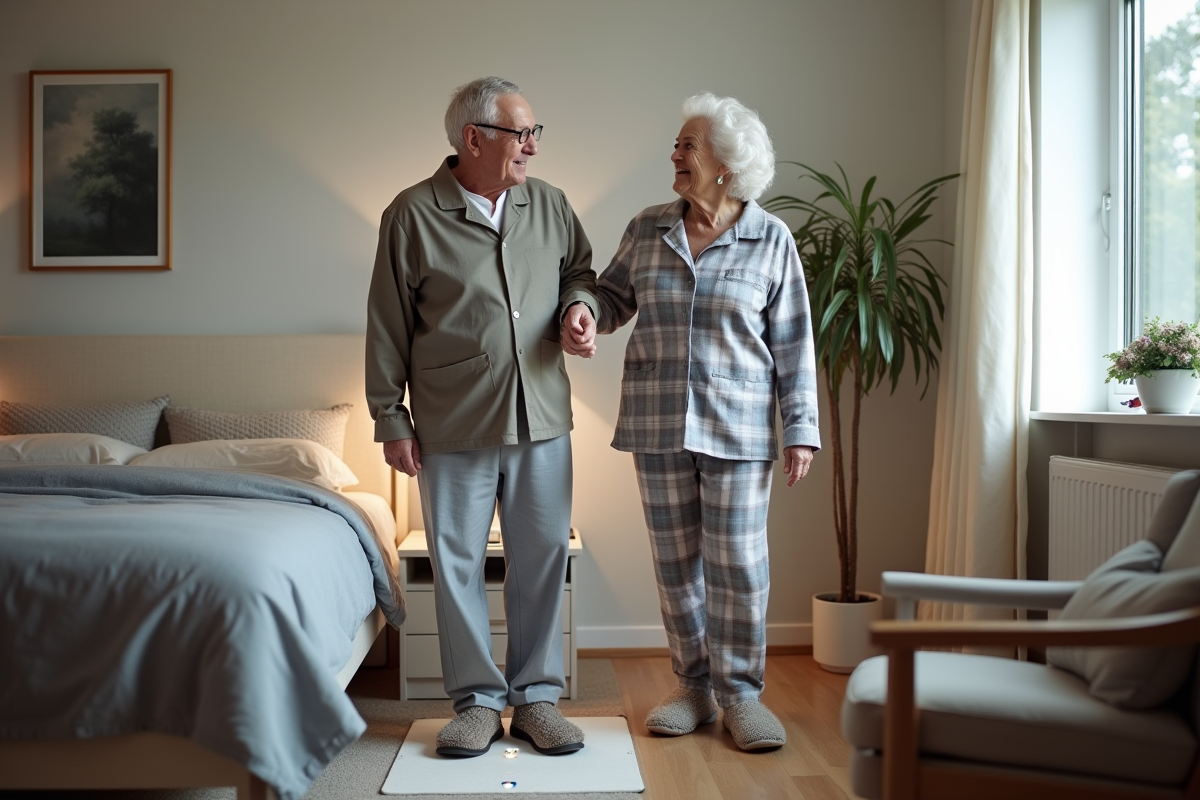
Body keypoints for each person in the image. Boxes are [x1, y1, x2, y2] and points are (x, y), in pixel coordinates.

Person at [561, 92, 820, 751]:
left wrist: (801, 429)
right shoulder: (649, 228)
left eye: (687, 146)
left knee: (737, 562)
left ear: (726, 165)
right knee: (676, 561)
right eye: (678, 146)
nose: (675, 155)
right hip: (656, 419)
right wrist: (585, 311)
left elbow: (792, 342)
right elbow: (614, 294)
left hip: (739, 426)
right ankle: (694, 688)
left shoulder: (771, 239)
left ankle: (741, 695)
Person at [366, 76, 599, 758]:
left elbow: (579, 273)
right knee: (458, 562)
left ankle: (536, 699)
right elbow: (387, 325)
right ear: (474, 138)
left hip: (543, 417)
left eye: (534, 132)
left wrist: (579, 309)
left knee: (543, 557)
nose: (531, 145)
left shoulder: (550, 205)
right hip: (451, 421)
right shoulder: (411, 214)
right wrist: (391, 417)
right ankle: (474, 701)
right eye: (519, 133)